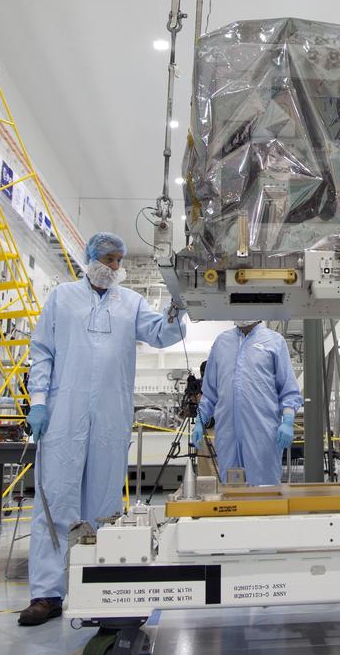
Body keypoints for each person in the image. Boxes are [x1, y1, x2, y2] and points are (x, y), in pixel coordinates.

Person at [19, 233, 186, 626]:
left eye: (118, 261)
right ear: (90, 258)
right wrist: (39, 401)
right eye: (108, 259)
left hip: (110, 416)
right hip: (63, 413)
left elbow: (162, 333)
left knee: (104, 504)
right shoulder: (62, 298)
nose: (114, 267)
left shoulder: (131, 302)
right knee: (56, 499)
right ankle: (47, 593)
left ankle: (95, 587)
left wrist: (179, 303)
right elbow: (42, 351)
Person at [192, 321, 302, 485]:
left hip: (262, 435)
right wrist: (200, 421)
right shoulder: (221, 342)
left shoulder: (274, 342)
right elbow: (209, 393)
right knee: (231, 490)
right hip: (227, 436)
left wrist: (287, 421)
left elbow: (288, 390)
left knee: (264, 490)